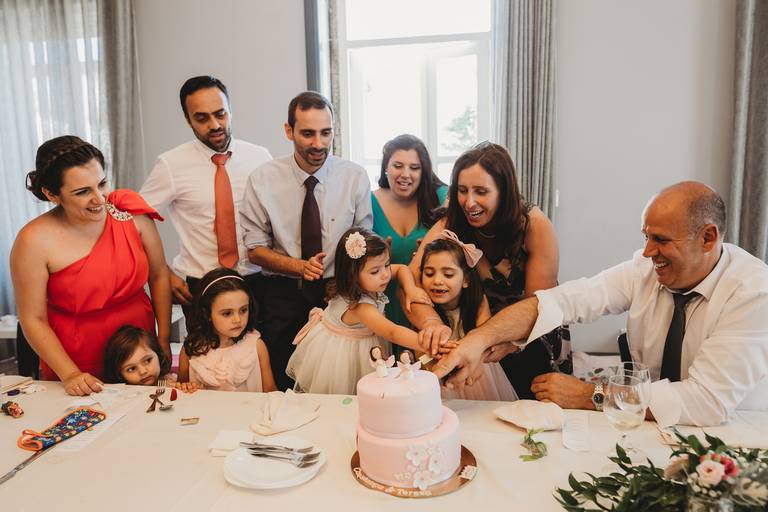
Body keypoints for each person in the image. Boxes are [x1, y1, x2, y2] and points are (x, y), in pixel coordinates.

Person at [433, 181, 768, 427]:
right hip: (647, 426)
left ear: (708, 238)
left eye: (661, 240)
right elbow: (565, 301)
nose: (648, 252)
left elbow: (705, 401)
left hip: (733, 435)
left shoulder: (752, 292)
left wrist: (590, 395)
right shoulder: (645, 268)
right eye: (646, 236)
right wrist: (480, 340)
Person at [406, 142, 570, 399]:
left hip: (528, 339)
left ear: (503, 191)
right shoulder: (451, 221)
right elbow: (413, 279)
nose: (469, 202)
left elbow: (540, 306)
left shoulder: (534, 226)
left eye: (481, 191)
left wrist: (506, 342)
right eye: (462, 191)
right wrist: (432, 324)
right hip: (474, 340)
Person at [11, 136, 170, 396]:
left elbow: (160, 275)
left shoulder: (131, 214)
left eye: (102, 184)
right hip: (76, 356)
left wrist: (162, 339)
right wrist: (70, 373)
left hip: (140, 347)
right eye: (83, 192)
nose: (100, 198)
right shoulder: (33, 240)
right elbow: (33, 318)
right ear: (52, 194)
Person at [240, 91, 373, 390]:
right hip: (283, 295)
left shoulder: (354, 177)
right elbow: (255, 250)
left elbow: (361, 242)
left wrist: (347, 278)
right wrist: (299, 267)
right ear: (289, 131)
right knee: (286, 378)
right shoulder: (262, 179)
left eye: (326, 133)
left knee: (338, 382)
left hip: (338, 292)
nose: (318, 143)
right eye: (308, 133)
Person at [140, 76, 272, 326]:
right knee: (208, 362)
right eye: (201, 118)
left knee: (260, 360)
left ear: (230, 110)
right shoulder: (170, 164)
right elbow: (134, 220)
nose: (214, 125)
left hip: (258, 281)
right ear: (188, 120)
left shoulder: (260, 157)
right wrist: (163, 272)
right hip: (201, 285)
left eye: (220, 114)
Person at [285, 228, 432, 395]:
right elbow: (392, 332)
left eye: (387, 264)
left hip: (364, 342)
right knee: (351, 397)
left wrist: (411, 289)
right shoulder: (360, 307)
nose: (385, 274)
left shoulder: (373, 277)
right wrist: (428, 344)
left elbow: (401, 269)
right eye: (375, 271)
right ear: (352, 275)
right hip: (344, 355)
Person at [420, 233, 517, 401]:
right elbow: (420, 350)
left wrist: (475, 367)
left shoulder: (478, 301)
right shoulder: (423, 308)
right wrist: (434, 368)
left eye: (448, 275)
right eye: (429, 274)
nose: (437, 281)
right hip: (437, 374)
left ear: (465, 280)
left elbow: (487, 339)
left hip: (478, 367)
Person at [372, 134, 447, 330]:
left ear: (424, 172)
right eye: (398, 166)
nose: (406, 174)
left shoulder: (441, 197)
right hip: (381, 303)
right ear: (385, 168)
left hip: (428, 304)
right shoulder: (367, 201)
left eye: (414, 168)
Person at [178, 268, 277, 392]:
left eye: (243, 310)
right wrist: (184, 387)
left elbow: (271, 393)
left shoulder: (256, 347)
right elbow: (181, 390)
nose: (237, 319)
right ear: (207, 313)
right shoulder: (191, 350)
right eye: (227, 313)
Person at [102, 325, 199, 392]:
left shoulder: (171, 383)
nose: (143, 371)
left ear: (158, 354)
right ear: (119, 374)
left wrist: (186, 388)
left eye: (148, 360)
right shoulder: (122, 396)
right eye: (131, 369)